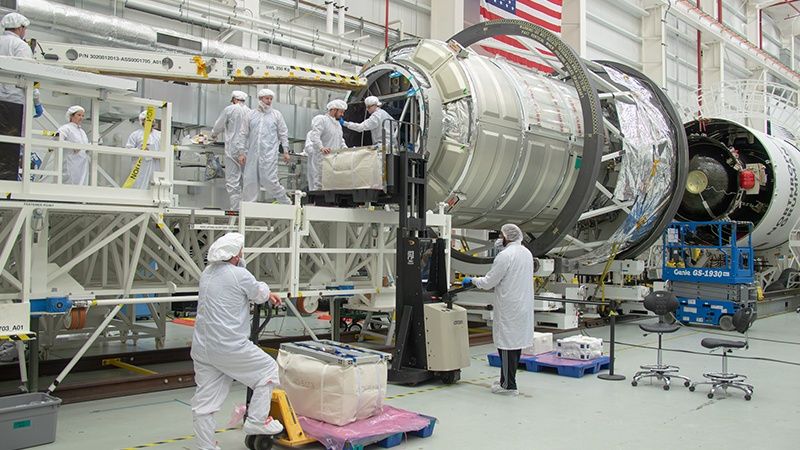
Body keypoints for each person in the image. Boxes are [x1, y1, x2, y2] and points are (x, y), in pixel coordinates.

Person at [191, 232, 284, 450]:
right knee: (268, 371)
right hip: (229, 346)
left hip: (203, 347)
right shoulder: (239, 275)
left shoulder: (207, 273)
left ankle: (205, 446)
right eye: (241, 251)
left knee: (205, 402)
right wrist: (268, 292)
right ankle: (256, 421)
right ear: (235, 255)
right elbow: (259, 294)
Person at [462, 224, 534, 396]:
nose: (498, 238)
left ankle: (509, 386)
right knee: (513, 344)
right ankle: (505, 379)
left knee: (507, 345)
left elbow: (489, 282)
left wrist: (472, 280)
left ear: (507, 237)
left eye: (500, 235)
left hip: (509, 306)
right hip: (522, 304)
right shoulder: (527, 253)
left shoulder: (505, 255)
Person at [237, 88, 291, 204]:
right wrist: (241, 152)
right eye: (267, 98)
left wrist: (286, 151)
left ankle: (286, 202)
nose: (269, 101)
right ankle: (248, 210)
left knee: (269, 180)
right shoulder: (250, 115)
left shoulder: (276, 115)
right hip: (252, 155)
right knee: (250, 181)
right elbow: (243, 134)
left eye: (271, 99)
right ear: (260, 99)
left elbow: (283, 133)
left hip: (269, 155)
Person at [0, 12, 33, 180]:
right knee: (10, 143)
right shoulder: (20, 46)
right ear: (20, 28)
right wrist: (36, 100)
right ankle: (6, 180)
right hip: (13, 102)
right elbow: (29, 75)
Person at [211, 90, 250, 210]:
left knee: (233, 182)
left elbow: (219, 125)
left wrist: (213, 134)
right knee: (245, 180)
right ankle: (246, 210)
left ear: (234, 99)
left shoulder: (230, 109)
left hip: (233, 149)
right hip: (246, 150)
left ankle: (235, 212)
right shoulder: (250, 112)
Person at [304, 99, 347, 191]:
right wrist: (321, 148)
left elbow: (340, 139)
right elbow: (315, 135)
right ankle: (317, 203)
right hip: (322, 158)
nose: (342, 115)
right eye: (341, 112)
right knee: (319, 183)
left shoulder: (337, 125)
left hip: (334, 159)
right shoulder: (322, 119)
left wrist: (345, 149)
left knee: (332, 184)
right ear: (334, 110)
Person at [124, 110, 161, 189]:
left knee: (155, 188)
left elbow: (165, 150)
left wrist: (156, 153)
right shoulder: (136, 134)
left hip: (156, 166)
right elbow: (128, 150)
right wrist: (139, 150)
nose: (151, 122)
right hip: (140, 167)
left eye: (152, 120)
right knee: (139, 187)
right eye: (147, 120)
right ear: (142, 121)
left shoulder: (160, 135)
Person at [58, 105, 90, 185]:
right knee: (70, 183)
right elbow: (56, 140)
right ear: (71, 116)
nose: (81, 118)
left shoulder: (82, 132)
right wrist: (72, 146)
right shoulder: (65, 128)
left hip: (82, 164)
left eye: (82, 116)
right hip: (71, 162)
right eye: (79, 115)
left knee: (82, 183)